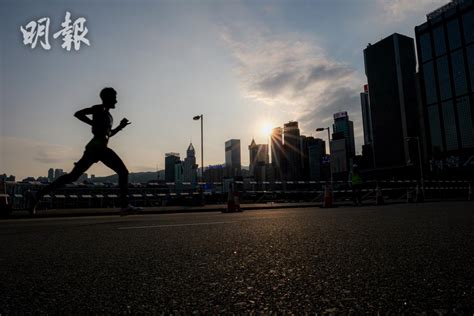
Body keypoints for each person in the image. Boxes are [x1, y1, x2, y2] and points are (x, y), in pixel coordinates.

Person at [28, 87, 142, 216]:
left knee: (73, 176)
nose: (116, 100)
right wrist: (93, 123)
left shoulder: (109, 116)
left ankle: (37, 195)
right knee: (123, 172)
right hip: (97, 147)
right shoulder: (98, 108)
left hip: (97, 148)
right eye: (114, 97)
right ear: (108, 98)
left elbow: (107, 134)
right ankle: (124, 205)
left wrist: (120, 127)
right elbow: (78, 114)